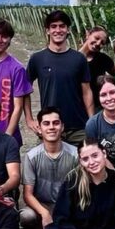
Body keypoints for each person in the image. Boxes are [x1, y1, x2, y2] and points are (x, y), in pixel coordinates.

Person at [25, 9, 94, 143]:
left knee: (86, 162)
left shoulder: (79, 59)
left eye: (62, 26)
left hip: (78, 128)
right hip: (50, 127)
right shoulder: (37, 59)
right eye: (53, 26)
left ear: (68, 30)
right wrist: (29, 119)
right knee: (44, 162)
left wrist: (91, 121)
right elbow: (24, 89)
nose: (58, 30)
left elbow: (87, 91)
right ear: (47, 31)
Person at [20, 107, 79, 229]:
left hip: (68, 206)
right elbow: (27, 195)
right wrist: (44, 213)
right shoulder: (31, 156)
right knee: (26, 216)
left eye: (56, 123)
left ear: (62, 127)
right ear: (39, 128)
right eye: (46, 123)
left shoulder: (75, 154)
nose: (51, 127)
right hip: (41, 205)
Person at [79, 25, 115, 107]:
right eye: (96, 38)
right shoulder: (72, 58)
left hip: (99, 106)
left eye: (102, 42)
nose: (98, 43)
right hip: (78, 107)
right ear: (88, 34)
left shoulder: (103, 59)